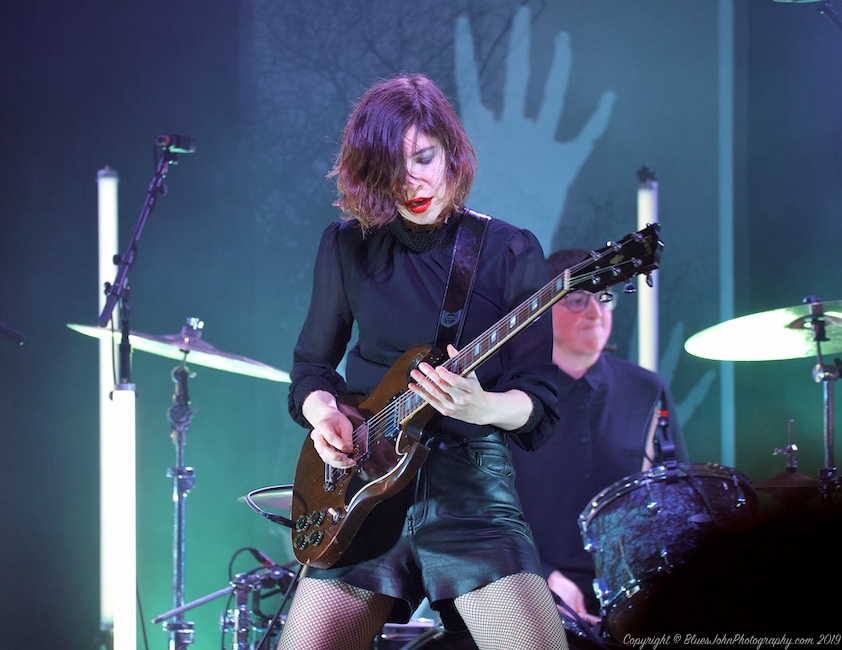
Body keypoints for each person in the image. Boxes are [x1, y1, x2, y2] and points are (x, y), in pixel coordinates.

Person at [278, 73, 568, 650]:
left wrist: (483, 404)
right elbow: (312, 366)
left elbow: (539, 400)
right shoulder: (346, 246)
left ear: (451, 152)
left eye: (425, 156)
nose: (413, 179)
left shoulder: (510, 250)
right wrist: (323, 415)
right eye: (392, 166)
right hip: (361, 487)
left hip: (467, 488)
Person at [510, 248, 687, 628]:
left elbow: (677, 495)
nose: (595, 312)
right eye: (577, 300)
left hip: (630, 587)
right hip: (528, 586)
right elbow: (482, 509)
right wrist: (543, 576)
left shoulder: (647, 388)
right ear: (542, 309)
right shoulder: (508, 396)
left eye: (604, 298)